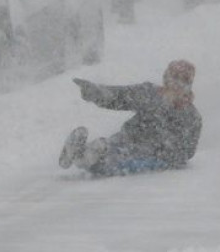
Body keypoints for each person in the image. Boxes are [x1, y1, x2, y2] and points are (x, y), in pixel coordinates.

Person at [59, 59, 202, 176]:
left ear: (188, 85)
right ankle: (81, 153)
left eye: (182, 80)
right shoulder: (150, 94)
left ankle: (90, 158)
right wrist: (97, 93)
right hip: (127, 138)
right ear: (166, 79)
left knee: (118, 157)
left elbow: (186, 151)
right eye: (173, 78)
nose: (176, 84)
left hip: (150, 155)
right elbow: (121, 97)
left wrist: (164, 148)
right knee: (108, 145)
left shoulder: (190, 116)